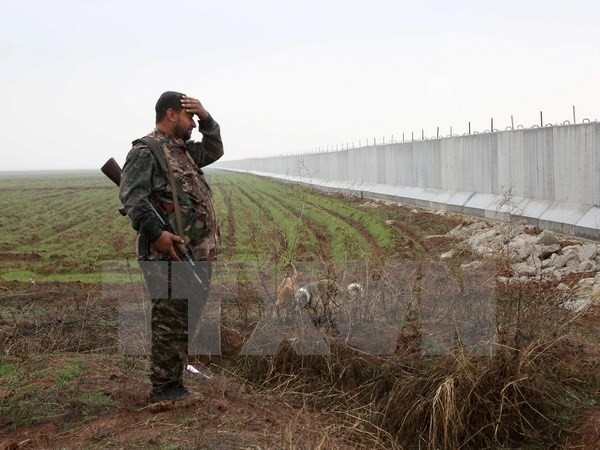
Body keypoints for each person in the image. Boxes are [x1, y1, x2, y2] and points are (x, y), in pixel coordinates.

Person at [119, 91, 223, 402]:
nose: (192, 123)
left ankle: (173, 381)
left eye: (195, 119)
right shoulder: (147, 151)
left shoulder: (182, 151)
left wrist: (206, 118)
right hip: (167, 253)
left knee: (184, 316)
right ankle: (164, 390)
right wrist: (158, 235)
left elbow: (214, 149)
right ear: (171, 114)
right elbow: (133, 199)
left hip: (192, 253)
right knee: (170, 319)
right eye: (189, 117)